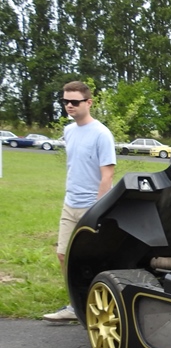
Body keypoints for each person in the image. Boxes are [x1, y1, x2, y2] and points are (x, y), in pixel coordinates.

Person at [43, 81, 116, 322]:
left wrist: (98, 210)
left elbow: (107, 176)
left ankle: (96, 305)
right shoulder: (69, 131)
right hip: (70, 204)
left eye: (74, 101)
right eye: (65, 101)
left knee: (89, 260)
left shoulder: (102, 134)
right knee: (63, 255)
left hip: (91, 207)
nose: (69, 106)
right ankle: (74, 306)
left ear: (89, 102)